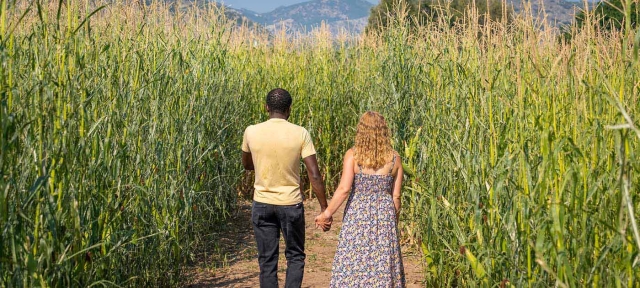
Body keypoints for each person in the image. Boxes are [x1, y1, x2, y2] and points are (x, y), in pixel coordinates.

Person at [241, 88, 331, 288]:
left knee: (267, 260)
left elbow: (247, 164)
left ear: (266, 107)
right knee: (295, 256)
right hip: (290, 205)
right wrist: (325, 207)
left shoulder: (251, 131)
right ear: (289, 109)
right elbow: (314, 174)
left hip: (262, 203)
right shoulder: (300, 133)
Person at [315, 111, 406, 287]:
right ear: (384, 131)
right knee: (383, 262)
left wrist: (327, 213)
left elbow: (344, 189)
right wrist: (392, 221)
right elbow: (396, 196)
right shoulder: (395, 159)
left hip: (358, 215)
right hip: (384, 216)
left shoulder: (353, 156)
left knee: (353, 259)